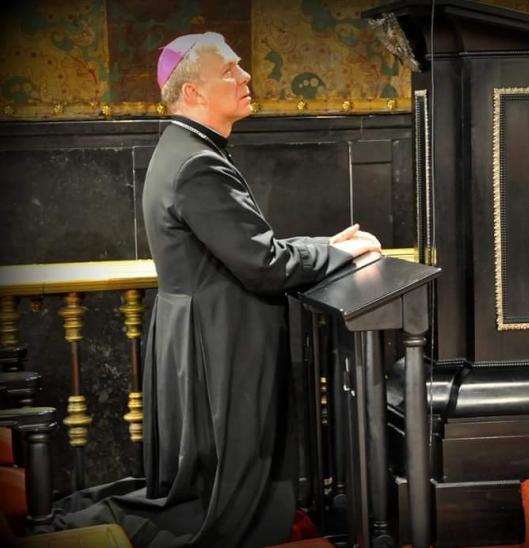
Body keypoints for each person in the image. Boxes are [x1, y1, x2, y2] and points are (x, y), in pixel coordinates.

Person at [53, 32, 381, 547]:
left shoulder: (184, 148)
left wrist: (325, 244)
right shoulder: (198, 163)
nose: (246, 76)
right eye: (229, 71)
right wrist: (342, 254)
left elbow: (247, 244)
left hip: (199, 330)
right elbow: (264, 265)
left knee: (208, 476)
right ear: (193, 92)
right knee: (221, 498)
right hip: (218, 340)